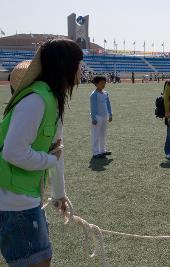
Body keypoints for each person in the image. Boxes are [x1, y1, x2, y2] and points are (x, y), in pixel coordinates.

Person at [0, 39, 83, 267]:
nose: (82, 68)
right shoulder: (37, 100)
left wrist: (59, 194)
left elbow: (57, 150)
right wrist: (48, 159)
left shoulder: (51, 100)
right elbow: (13, 152)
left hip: (23, 198)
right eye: (78, 62)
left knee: (41, 260)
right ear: (65, 65)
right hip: (13, 202)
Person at [90, 76, 113, 159]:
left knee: (103, 134)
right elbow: (93, 107)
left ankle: (102, 150)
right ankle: (96, 152)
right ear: (96, 84)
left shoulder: (105, 93)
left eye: (104, 83)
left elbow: (108, 104)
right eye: (101, 83)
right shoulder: (94, 95)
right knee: (95, 134)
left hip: (104, 116)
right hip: (97, 117)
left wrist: (110, 114)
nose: (103, 84)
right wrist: (93, 118)